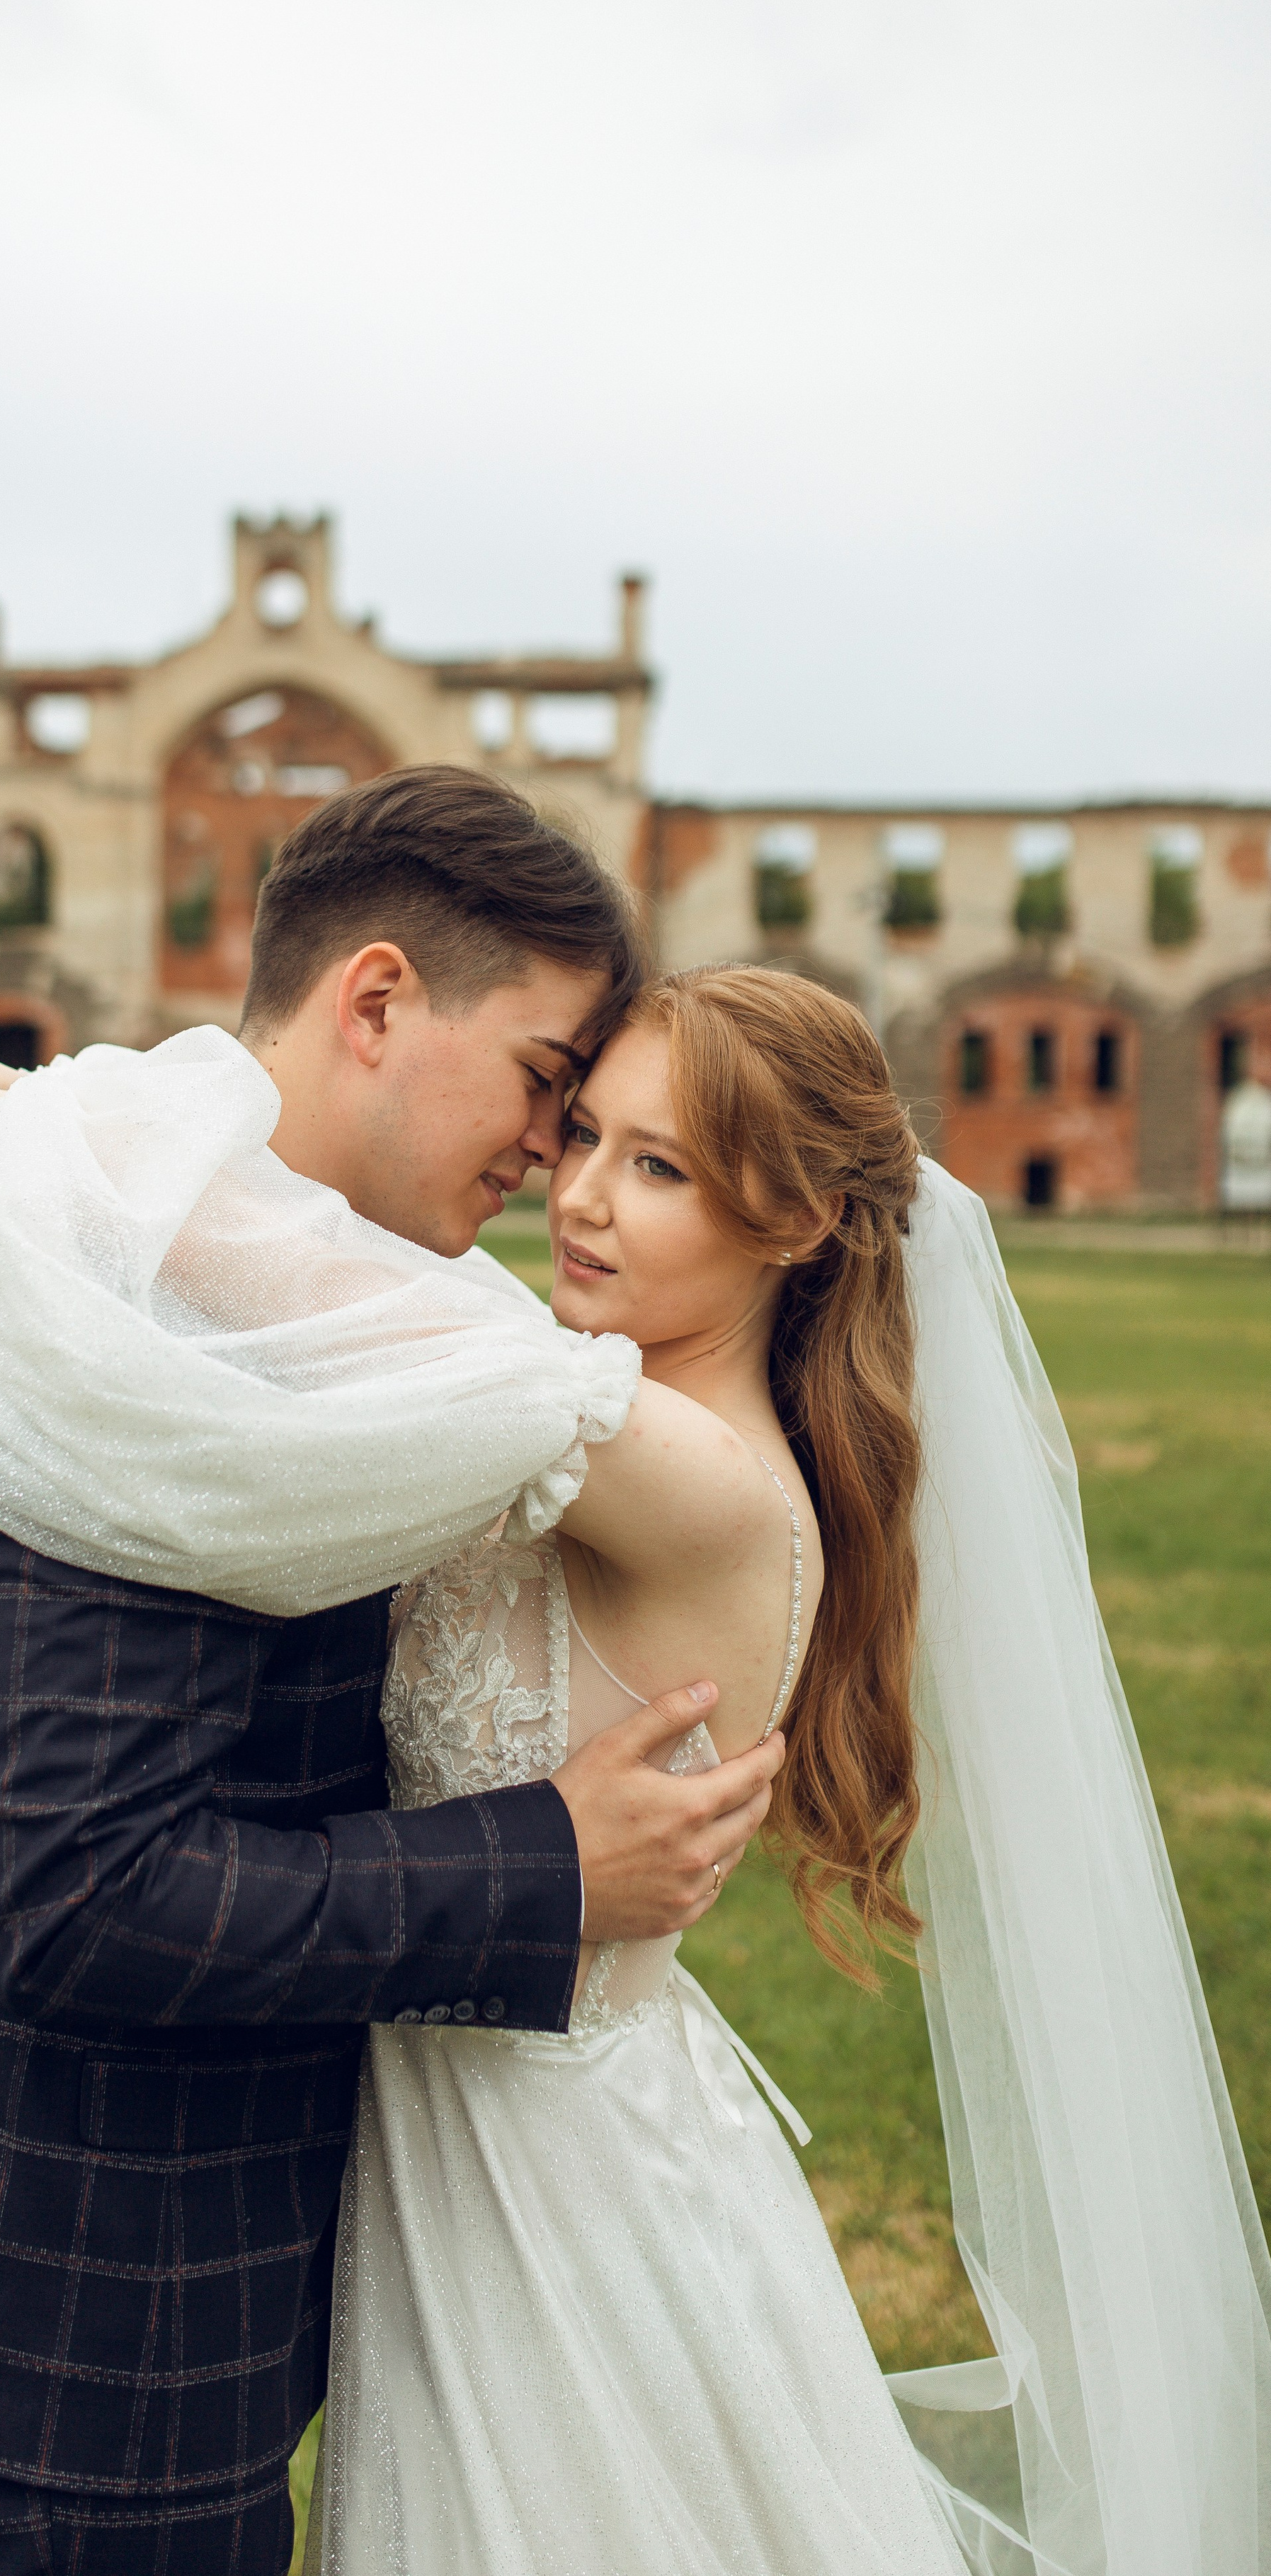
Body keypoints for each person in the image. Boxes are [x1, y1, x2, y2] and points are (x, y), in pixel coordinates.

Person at [0, 770, 787, 2576]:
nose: (553, 1161)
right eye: (548, 1081)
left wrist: (3, 1112)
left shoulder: (171, 1241)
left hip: (111, 2268)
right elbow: (79, 1895)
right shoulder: (149, 1339)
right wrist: (544, 1867)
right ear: (375, 1002)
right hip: (67, 2324)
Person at [309, 966, 1271, 2576]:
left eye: (662, 1168)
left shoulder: (695, 1479)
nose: (585, 1202)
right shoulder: (626, 1417)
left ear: (800, 1223)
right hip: (504, 2118)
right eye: (585, 1137)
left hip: (552, 2182)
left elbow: (325, 1289)